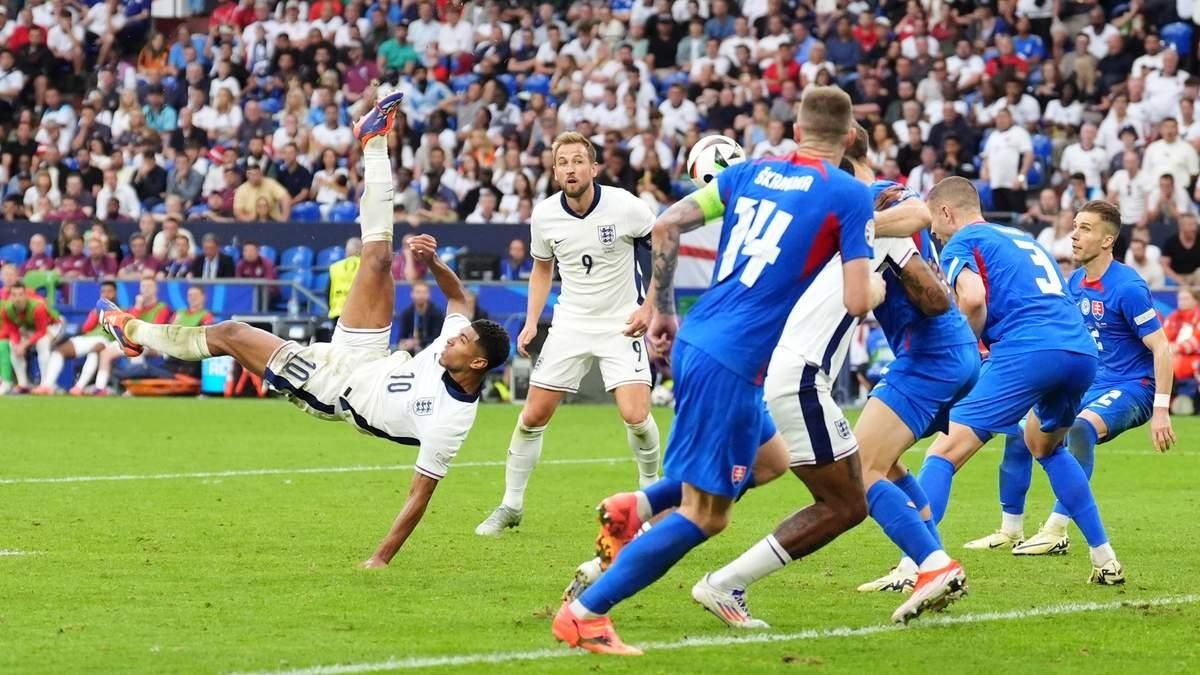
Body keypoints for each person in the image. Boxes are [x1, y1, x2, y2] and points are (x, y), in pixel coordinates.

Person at [99, 91, 510, 566]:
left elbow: (419, 496)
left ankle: (134, 332)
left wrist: (379, 559)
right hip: (370, 355)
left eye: (459, 341)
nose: (450, 337)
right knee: (376, 258)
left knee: (232, 332)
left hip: (333, 387)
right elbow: (458, 299)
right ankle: (373, 141)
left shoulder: (451, 421)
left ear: (477, 363)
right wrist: (435, 262)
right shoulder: (453, 348)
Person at [550, 86, 876, 654]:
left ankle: (638, 506)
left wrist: (663, 308)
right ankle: (586, 613)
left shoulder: (750, 171)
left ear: (795, 132)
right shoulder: (849, 193)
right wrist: (876, 277)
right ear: (849, 139)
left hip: (707, 339)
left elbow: (667, 223)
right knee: (707, 516)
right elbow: (856, 301)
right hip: (733, 359)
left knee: (770, 462)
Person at [691, 125, 978, 625]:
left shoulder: (858, 206)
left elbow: (931, 292)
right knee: (867, 473)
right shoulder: (863, 209)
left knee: (855, 480)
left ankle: (928, 563)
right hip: (880, 362)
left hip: (910, 358)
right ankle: (927, 561)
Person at [910, 178, 1125, 587]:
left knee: (943, 451)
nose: (933, 234)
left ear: (947, 213)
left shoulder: (961, 243)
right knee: (1045, 445)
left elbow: (972, 299)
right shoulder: (1021, 237)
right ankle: (1105, 557)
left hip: (1029, 348)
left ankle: (916, 565)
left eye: (933, 224)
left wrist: (963, 353)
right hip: (1079, 351)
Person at [473, 131, 662, 537]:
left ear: (593, 168)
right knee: (532, 417)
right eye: (563, 162)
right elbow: (543, 268)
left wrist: (651, 306)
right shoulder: (544, 215)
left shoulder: (626, 206)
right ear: (555, 170)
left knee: (637, 416)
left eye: (578, 161)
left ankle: (649, 499)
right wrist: (530, 321)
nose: (570, 168)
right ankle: (510, 504)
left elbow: (662, 245)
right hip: (571, 323)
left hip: (620, 322)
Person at [965, 200, 1175, 553]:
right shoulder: (1074, 281)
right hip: (1089, 381)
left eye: (1085, 229)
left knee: (1079, 428)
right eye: (1074, 226)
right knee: (1018, 432)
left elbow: (1162, 348)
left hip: (1132, 386)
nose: (1074, 236)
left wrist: (1161, 410)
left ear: (1108, 241)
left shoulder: (1128, 287)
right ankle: (1010, 529)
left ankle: (1057, 529)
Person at [37, 280, 118, 395]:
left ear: (115, 293)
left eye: (109, 292)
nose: (106, 294)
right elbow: (86, 328)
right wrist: (96, 313)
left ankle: (79, 387)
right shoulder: (96, 310)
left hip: (106, 341)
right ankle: (47, 385)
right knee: (59, 351)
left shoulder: (122, 310)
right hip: (88, 338)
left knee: (95, 350)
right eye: (103, 292)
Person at [1, 281, 62, 392]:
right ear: (10, 297)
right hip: (30, 328)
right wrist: (17, 344)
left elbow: (41, 331)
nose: (17, 298)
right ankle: (23, 384)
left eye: (20, 295)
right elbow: (12, 329)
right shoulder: (7, 309)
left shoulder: (38, 307)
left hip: (53, 325)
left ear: (25, 295)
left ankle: (46, 384)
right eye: (14, 295)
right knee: (13, 345)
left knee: (42, 343)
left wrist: (24, 345)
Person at [1164, 287, 1200, 415]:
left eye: (1185, 298)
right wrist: (1167, 347)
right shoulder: (1172, 318)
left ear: (1195, 300)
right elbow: (1164, 337)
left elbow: (1196, 341)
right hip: (1173, 358)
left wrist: (1176, 347)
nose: (1182, 302)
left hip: (1193, 359)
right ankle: (1166, 403)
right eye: (1180, 299)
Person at [396, 280, 445, 353]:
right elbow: (402, 336)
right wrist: (403, 343)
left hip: (431, 348)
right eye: (418, 292)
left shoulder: (437, 313)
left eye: (424, 292)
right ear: (412, 294)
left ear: (429, 294)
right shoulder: (407, 313)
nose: (421, 295)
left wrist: (418, 342)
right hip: (413, 349)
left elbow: (437, 337)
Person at [327, 237, 361, 323]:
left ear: (347, 251)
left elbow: (327, 291)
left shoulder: (335, 267)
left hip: (338, 313)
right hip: (359, 314)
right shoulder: (366, 266)